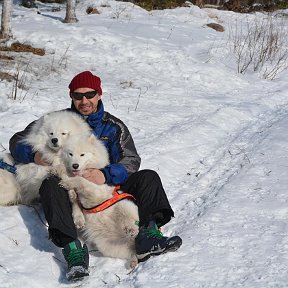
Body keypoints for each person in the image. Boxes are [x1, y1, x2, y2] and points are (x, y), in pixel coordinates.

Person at [9, 71, 182, 281]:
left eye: (89, 94)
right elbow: (17, 140)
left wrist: (105, 174)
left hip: (106, 184)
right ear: (71, 97)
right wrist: (34, 155)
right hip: (69, 181)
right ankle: (72, 248)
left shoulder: (113, 126)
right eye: (78, 95)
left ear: (99, 94)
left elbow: (131, 159)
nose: (84, 100)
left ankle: (150, 234)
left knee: (148, 177)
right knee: (51, 185)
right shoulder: (59, 120)